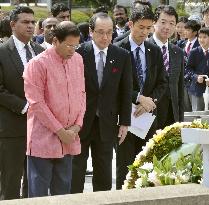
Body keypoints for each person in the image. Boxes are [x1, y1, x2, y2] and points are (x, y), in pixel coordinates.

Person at [71, 12, 133, 193]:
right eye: (100, 32)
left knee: (104, 172)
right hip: (79, 122)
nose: (105, 37)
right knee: (76, 170)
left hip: (107, 121)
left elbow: (125, 91)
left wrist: (125, 122)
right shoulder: (79, 53)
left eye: (109, 32)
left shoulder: (122, 55)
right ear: (91, 32)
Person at [23, 21, 86, 197]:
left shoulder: (78, 60)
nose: (72, 50)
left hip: (69, 138)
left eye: (76, 45)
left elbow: (82, 94)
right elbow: (36, 103)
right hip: (43, 140)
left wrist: (77, 126)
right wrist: (60, 131)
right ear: (55, 41)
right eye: (68, 45)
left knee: (63, 194)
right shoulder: (37, 64)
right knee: (39, 196)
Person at [115, 6, 167, 189]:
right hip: (125, 118)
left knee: (146, 166)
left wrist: (150, 101)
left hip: (148, 118)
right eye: (140, 27)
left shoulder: (154, 50)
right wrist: (138, 97)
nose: (145, 32)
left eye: (148, 28)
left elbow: (162, 83)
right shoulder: (117, 47)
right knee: (125, 166)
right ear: (130, 24)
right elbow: (113, 84)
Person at [0, 6, 44, 200]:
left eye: (33, 22)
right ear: (12, 24)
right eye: (25, 22)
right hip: (11, 128)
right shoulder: (2, 52)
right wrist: (26, 106)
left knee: (35, 181)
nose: (30, 26)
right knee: (10, 181)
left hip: (40, 128)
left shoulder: (40, 51)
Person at [148, 5, 184, 129]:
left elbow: (179, 87)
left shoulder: (178, 52)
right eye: (163, 22)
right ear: (154, 23)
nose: (167, 27)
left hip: (172, 113)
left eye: (171, 23)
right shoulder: (144, 48)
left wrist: (180, 120)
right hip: (150, 112)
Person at [185, 27, 209, 111]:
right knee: (198, 116)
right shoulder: (194, 52)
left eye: (204, 37)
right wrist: (196, 77)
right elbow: (187, 69)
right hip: (196, 89)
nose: (201, 40)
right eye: (200, 37)